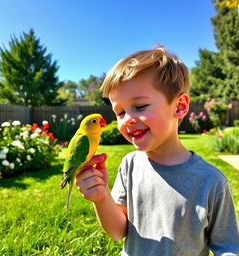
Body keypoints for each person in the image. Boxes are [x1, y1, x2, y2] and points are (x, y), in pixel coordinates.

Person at [75, 45, 239, 255]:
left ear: (179, 106)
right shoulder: (130, 165)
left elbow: (229, 248)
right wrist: (101, 197)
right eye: (120, 112)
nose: (128, 119)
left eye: (140, 107)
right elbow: (118, 231)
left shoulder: (211, 181)